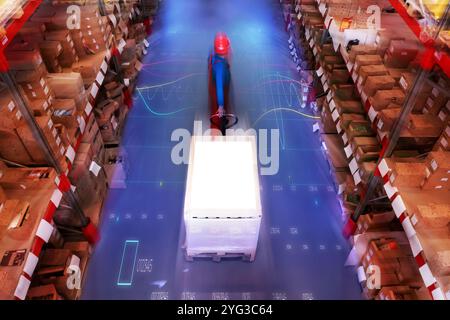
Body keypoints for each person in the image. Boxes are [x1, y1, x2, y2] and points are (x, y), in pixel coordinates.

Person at [210, 32, 231, 119]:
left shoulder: (215, 54)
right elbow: (219, 87)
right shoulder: (219, 66)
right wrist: (221, 106)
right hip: (223, 85)